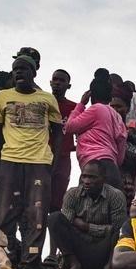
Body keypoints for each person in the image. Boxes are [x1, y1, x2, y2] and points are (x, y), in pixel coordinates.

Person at [0, 54, 62, 269]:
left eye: (24, 69)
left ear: (34, 73)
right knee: (5, 217)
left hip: (39, 163)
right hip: (9, 162)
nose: (19, 73)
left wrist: (53, 162)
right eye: (15, 69)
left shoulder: (47, 99)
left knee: (36, 217)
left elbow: (59, 134)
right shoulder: (2, 97)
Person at [47, 160, 128, 269]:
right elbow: (66, 224)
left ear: (103, 179)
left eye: (92, 178)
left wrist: (86, 226)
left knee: (122, 227)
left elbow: (118, 229)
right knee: (54, 218)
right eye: (84, 177)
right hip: (79, 248)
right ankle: (74, 264)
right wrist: (105, 229)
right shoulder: (72, 194)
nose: (86, 181)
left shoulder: (115, 196)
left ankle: (109, 266)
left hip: (104, 249)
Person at [63, 70, 128, 190]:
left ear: (92, 95)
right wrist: (113, 162)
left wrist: (81, 104)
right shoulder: (117, 116)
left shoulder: (96, 110)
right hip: (111, 169)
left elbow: (69, 127)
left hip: (93, 169)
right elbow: (121, 143)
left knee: (86, 207)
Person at [48, 69, 78, 219]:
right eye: (55, 79)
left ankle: (55, 243)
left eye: (62, 80)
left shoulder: (74, 108)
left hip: (63, 160)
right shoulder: (43, 102)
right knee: (36, 202)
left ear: (69, 85)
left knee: (57, 205)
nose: (57, 83)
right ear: (50, 82)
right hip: (40, 157)